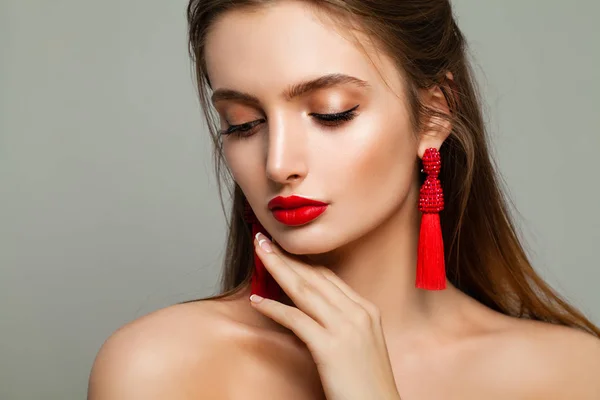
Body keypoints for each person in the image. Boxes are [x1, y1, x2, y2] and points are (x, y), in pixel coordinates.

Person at [87, 0, 600, 398]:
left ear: (434, 115)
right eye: (243, 124)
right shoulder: (159, 366)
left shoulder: (574, 376)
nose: (278, 162)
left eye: (331, 112)